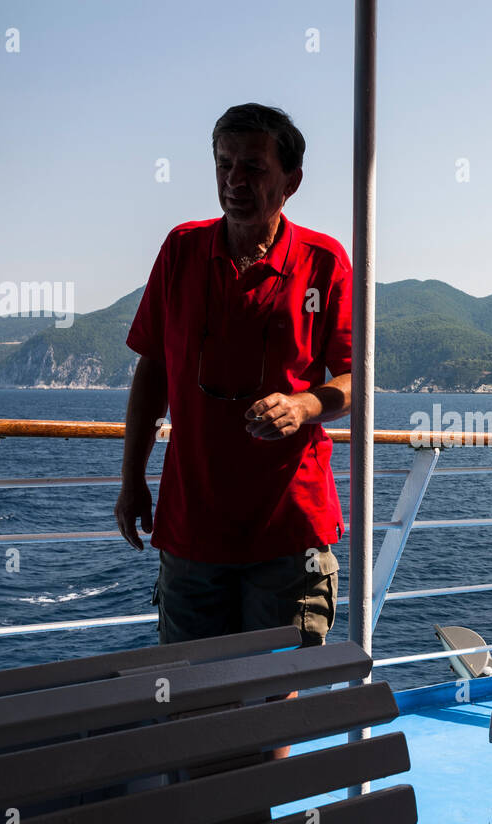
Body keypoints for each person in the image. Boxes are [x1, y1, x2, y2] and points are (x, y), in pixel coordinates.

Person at [115, 104, 352, 760]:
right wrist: (132, 478)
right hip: (193, 530)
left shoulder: (325, 261)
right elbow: (152, 370)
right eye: (224, 164)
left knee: (273, 701)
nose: (235, 179)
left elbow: (354, 381)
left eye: (253, 166)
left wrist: (305, 405)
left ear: (291, 180)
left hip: (289, 529)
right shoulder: (182, 250)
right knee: (191, 701)